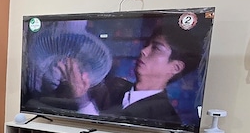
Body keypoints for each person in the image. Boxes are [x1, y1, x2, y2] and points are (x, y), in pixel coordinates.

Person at [54, 16, 204, 124]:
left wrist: (82, 98)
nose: (144, 51)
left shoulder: (165, 115)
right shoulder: (113, 86)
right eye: (147, 45)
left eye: (156, 48)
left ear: (175, 67)